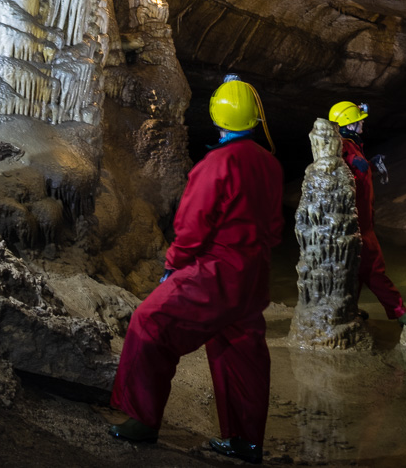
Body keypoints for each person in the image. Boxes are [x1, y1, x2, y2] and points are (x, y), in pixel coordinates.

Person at [109, 77, 282, 464]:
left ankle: (143, 419)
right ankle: (246, 442)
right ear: (255, 119)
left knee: (149, 322)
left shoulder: (216, 164)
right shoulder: (269, 164)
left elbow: (192, 225)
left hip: (216, 271)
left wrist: (174, 268)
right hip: (254, 275)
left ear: (218, 116)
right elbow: (274, 227)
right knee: (240, 351)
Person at [328, 101, 406, 327]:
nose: (362, 124)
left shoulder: (354, 146)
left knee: (355, 271)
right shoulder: (344, 147)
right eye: (359, 121)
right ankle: (399, 312)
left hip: (363, 220)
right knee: (374, 270)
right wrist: (356, 163)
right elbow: (341, 172)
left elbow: (357, 175)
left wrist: (371, 165)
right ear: (349, 124)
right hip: (358, 226)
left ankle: (349, 309)